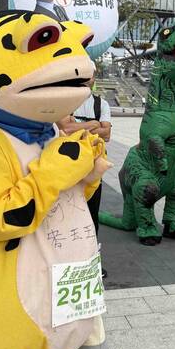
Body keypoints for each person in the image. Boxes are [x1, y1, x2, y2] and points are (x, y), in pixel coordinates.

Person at [59, 75, 112, 278]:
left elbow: (106, 134)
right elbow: (63, 128)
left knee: (92, 214)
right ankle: (67, 261)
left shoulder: (101, 103)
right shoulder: (64, 101)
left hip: (94, 167)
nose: (86, 79)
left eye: (90, 74)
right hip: (67, 167)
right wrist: (92, 124)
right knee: (66, 214)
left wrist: (77, 126)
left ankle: (92, 261)